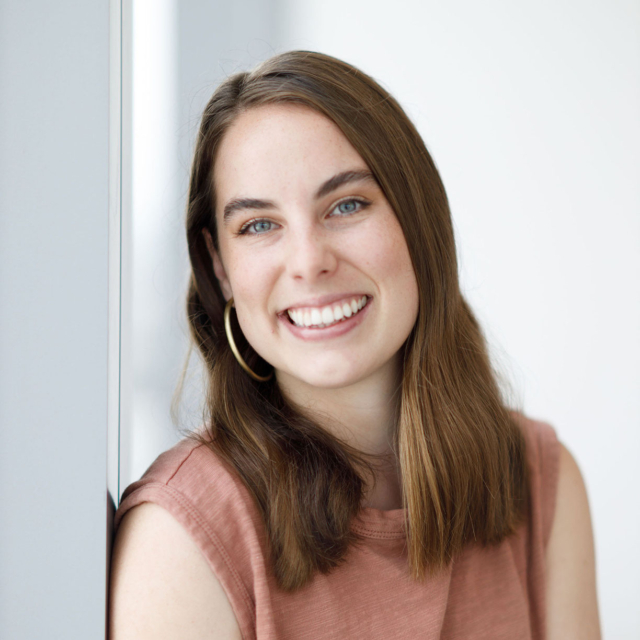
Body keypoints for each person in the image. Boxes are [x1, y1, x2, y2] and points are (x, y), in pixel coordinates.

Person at [108, 50, 601, 639]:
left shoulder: (539, 480)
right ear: (219, 268)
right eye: (259, 225)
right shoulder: (183, 535)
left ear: (419, 222)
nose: (310, 261)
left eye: (346, 205)